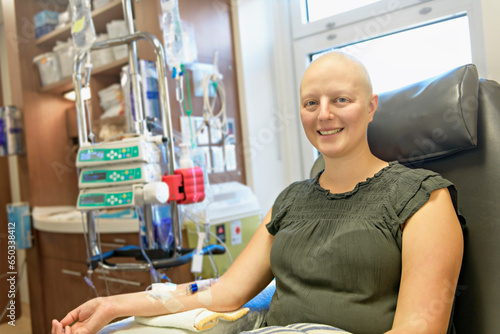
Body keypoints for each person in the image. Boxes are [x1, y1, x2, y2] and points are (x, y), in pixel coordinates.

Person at [52, 52, 463, 334]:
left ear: (371, 107)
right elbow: (225, 292)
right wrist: (112, 306)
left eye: (341, 100)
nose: (324, 114)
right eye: (310, 103)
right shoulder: (290, 201)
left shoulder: (420, 198)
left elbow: (419, 328)